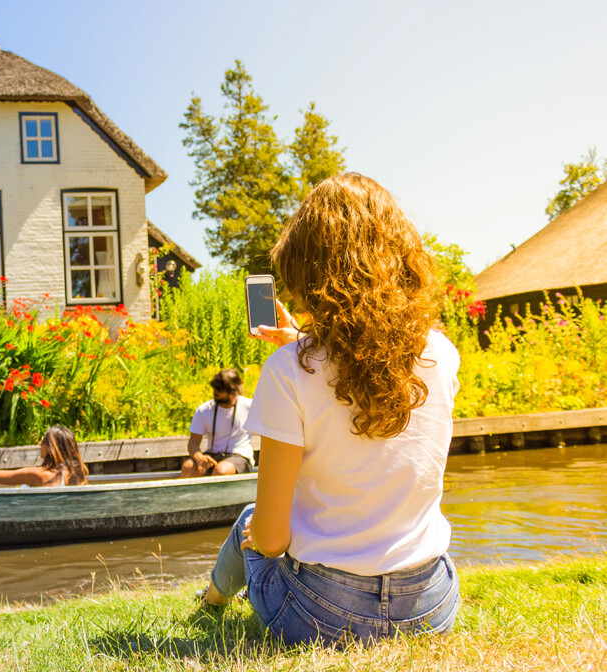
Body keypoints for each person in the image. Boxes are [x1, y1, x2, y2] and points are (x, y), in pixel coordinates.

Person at [198, 173, 461, 647]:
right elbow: (364, 368)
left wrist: (298, 349)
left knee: (251, 522)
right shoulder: (442, 353)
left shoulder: (287, 372)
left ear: (310, 271)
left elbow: (273, 539)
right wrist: (301, 341)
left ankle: (209, 604)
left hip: (323, 614)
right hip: (431, 605)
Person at [180, 369, 254, 477]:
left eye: (220, 390)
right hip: (213, 454)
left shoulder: (249, 406)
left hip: (240, 456)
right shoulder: (204, 409)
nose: (216, 394)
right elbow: (193, 442)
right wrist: (199, 457)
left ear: (234, 391)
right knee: (188, 467)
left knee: (221, 470)